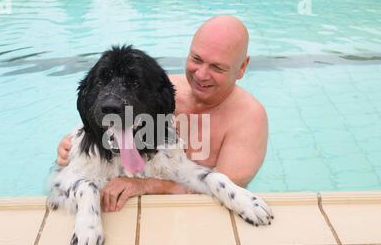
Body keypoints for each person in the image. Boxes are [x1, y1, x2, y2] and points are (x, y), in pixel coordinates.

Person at [56, 15, 268, 213]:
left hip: (190, 212)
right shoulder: (157, 88)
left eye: (217, 67)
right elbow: (101, 118)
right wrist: (70, 145)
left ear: (242, 67)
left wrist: (146, 185)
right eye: (196, 59)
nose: (201, 75)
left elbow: (216, 199)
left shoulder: (249, 120)